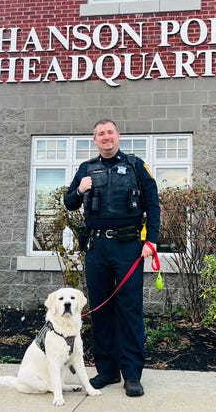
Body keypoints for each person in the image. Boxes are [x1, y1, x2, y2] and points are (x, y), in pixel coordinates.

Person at [63, 118, 160, 397]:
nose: (106, 137)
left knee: (129, 309)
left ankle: (132, 375)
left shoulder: (135, 166)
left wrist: (151, 241)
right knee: (101, 310)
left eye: (110, 132)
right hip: (97, 247)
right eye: (100, 134)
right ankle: (106, 371)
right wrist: (80, 189)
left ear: (118, 136)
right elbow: (69, 203)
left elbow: (153, 204)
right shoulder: (85, 169)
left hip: (129, 245)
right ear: (94, 140)